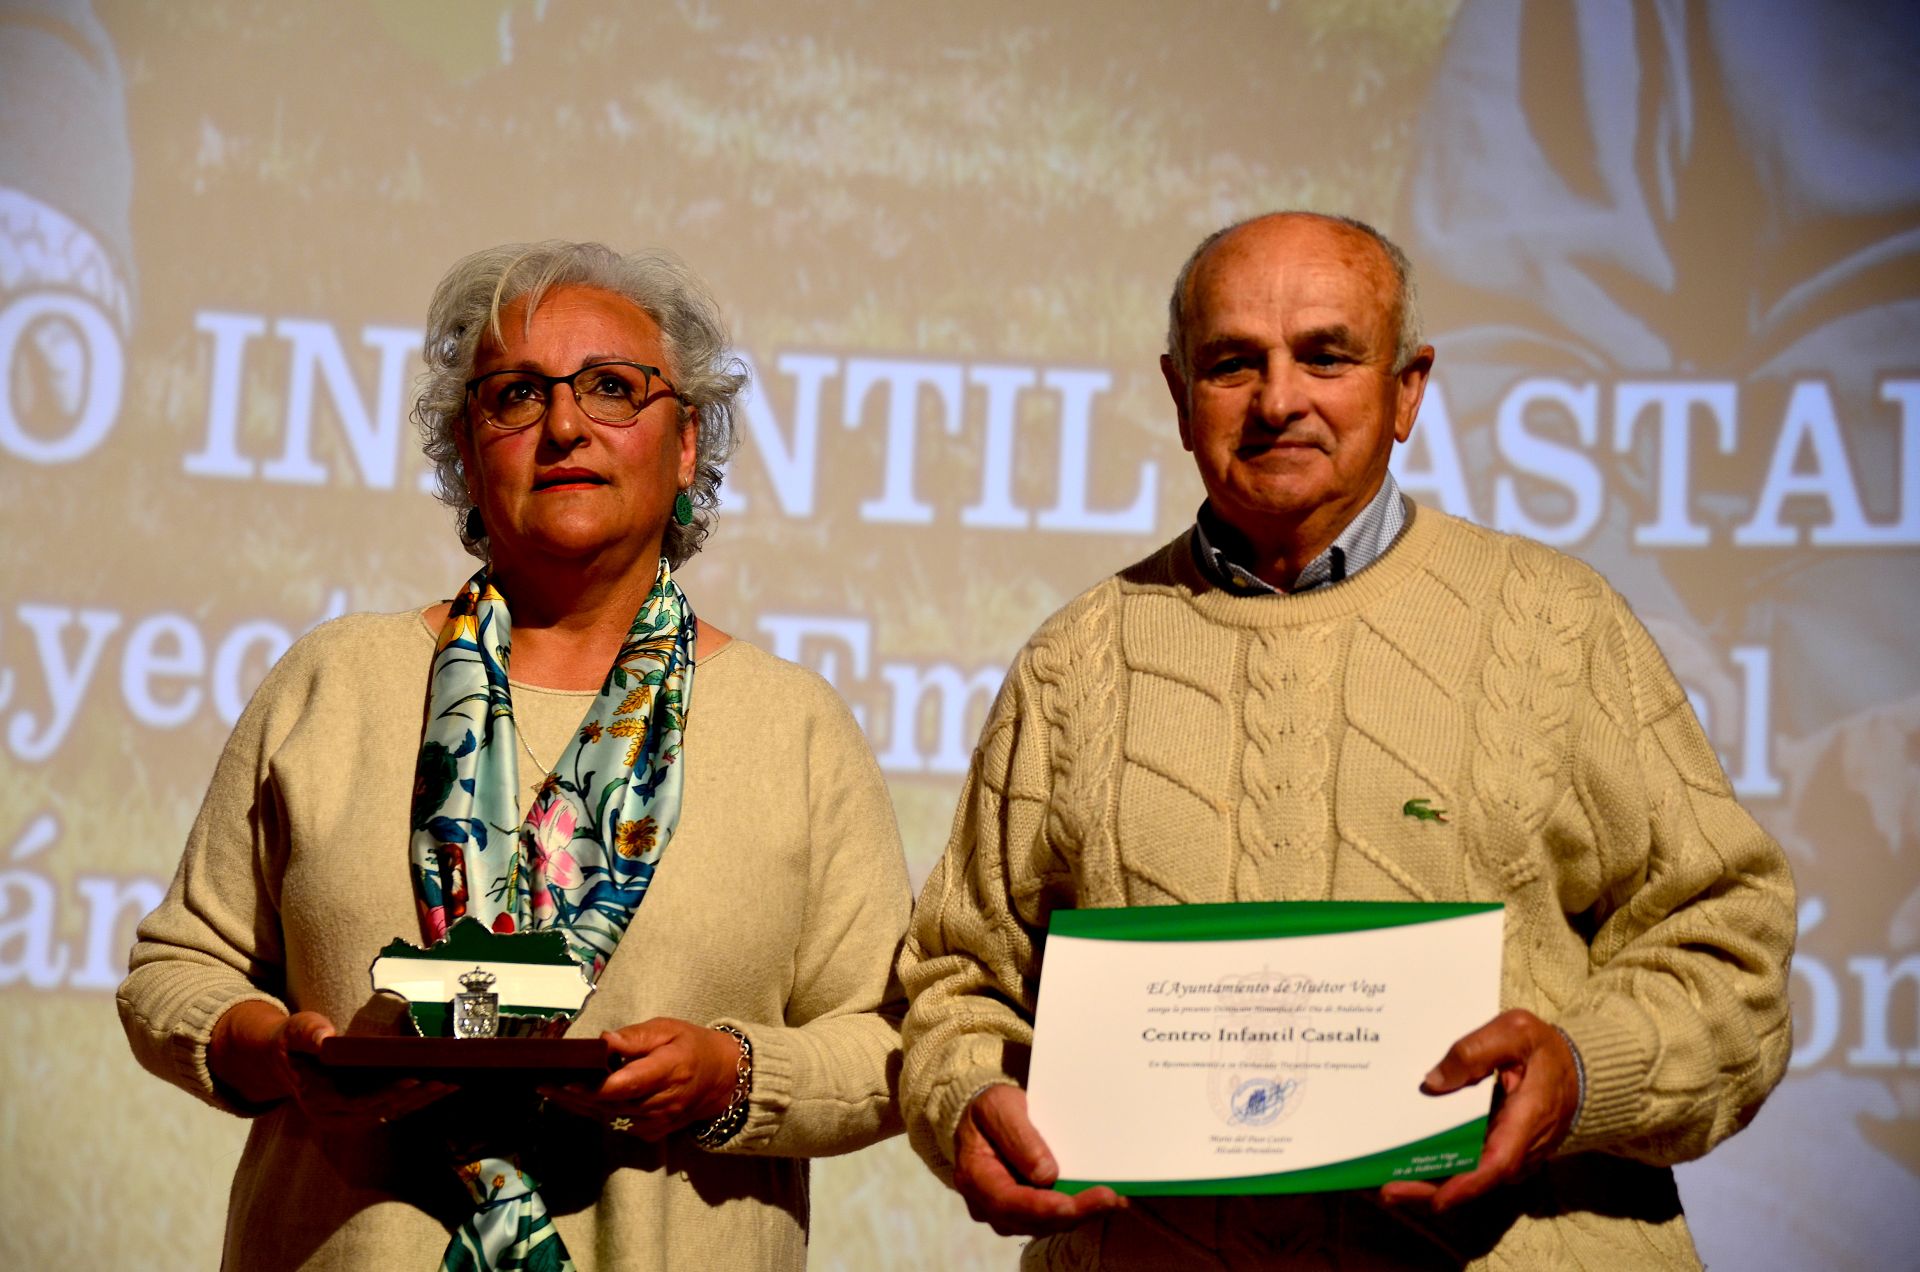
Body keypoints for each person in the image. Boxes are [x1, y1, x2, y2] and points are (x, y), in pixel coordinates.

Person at [897, 211, 1795, 1268]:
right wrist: (964, 1102)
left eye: (1326, 355)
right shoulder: (1075, 662)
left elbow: (1733, 949)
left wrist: (1583, 1075)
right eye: (1234, 364)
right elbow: (957, 983)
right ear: (1179, 396)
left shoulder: (1557, 626)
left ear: (1408, 390)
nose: (1280, 400)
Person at [117, 241, 912, 1271]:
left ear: (685, 445)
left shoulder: (794, 727)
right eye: (517, 396)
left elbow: (891, 1043)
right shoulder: (333, 682)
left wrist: (733, 1077)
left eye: (613, 389)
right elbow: (177, 973)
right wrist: (272, 1052)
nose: (567, 426)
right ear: (466, 445)